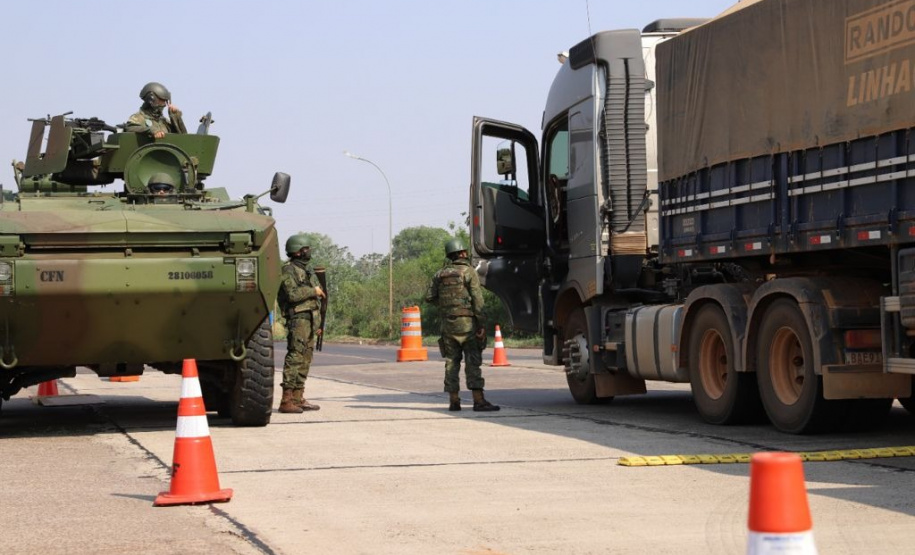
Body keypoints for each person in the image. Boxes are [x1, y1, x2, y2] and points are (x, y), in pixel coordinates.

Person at [425, 238, 500, 412]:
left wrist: (446, 306)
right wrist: (481, 323)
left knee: (451, 362)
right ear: (462, 253)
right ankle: (479, 401)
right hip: (467, 325)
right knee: (472, 361)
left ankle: (454, 401)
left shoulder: (439, 274)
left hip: (448, 325)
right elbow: (478, 300)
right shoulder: (469, 272)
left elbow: (429, 297)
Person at [276, 234, 326, 413]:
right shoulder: (288, 270)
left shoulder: (307, 270)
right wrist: (313, 290)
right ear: (298, 251)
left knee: (306, 357)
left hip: (310, 320)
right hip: (298, 319)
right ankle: (286, 400)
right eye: (306, 249)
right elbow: (292, 295)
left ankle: (298, 397)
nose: (309, 252)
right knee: (296, 356)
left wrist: (318, 323)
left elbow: (317, 300)